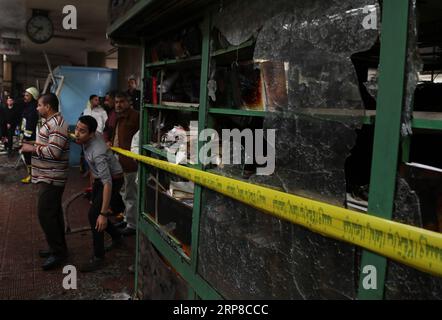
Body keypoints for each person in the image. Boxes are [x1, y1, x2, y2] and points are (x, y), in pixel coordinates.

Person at [20, 93, 70, 270]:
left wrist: (31, 148)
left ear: (48, 107)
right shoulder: (51, 123)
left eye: (39, 105)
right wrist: (31, 143)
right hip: (47, 176)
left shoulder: (57, 124)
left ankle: (58, 253)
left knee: (45, 215)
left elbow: (54, 152)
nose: (37, 108)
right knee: (53, 214)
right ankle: (58, 248)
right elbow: (48, 144)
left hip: (52, 177)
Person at [74, 115, 125, 272]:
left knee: (96, 216)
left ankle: (99, 257)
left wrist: (103, 213)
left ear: (91, 134)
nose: (76, 133)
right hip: (99, 179)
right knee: (93, 215)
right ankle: (117, 237)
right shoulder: (89, 137)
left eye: (82, 131)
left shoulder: (98, 153)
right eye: (76, 128)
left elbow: (108, 183)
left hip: (112, 180)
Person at [109, 92, 140, 236]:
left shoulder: (136, 116)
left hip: (130, 162)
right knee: (123, 192)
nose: (118, 104)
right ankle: (128, 218)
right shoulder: (119, 117)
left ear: (129, 102)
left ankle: (132, 224)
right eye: (116, 102)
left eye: (121, 101)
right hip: (119, 160)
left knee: (130, 194)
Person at [20, 87, 40, 184]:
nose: (25, 97)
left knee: (28, 155)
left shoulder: (33, 109)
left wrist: (25, 138)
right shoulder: (28, 106)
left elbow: (30, 125)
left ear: (33, 96)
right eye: (25, 95)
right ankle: (31, 175)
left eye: (27, 95)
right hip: (26, 134)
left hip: (30, 137)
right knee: (27, 155)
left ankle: (32, 176)